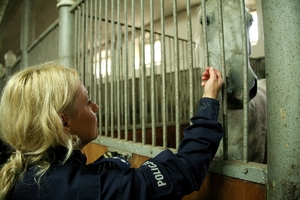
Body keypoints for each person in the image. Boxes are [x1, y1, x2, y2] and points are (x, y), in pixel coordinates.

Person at [0, 61, 224, 200]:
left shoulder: (22, 175)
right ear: (64, 123)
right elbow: (183, 171)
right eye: (87, 103)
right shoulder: (89, 189)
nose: (96, 107)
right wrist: (209, 99)